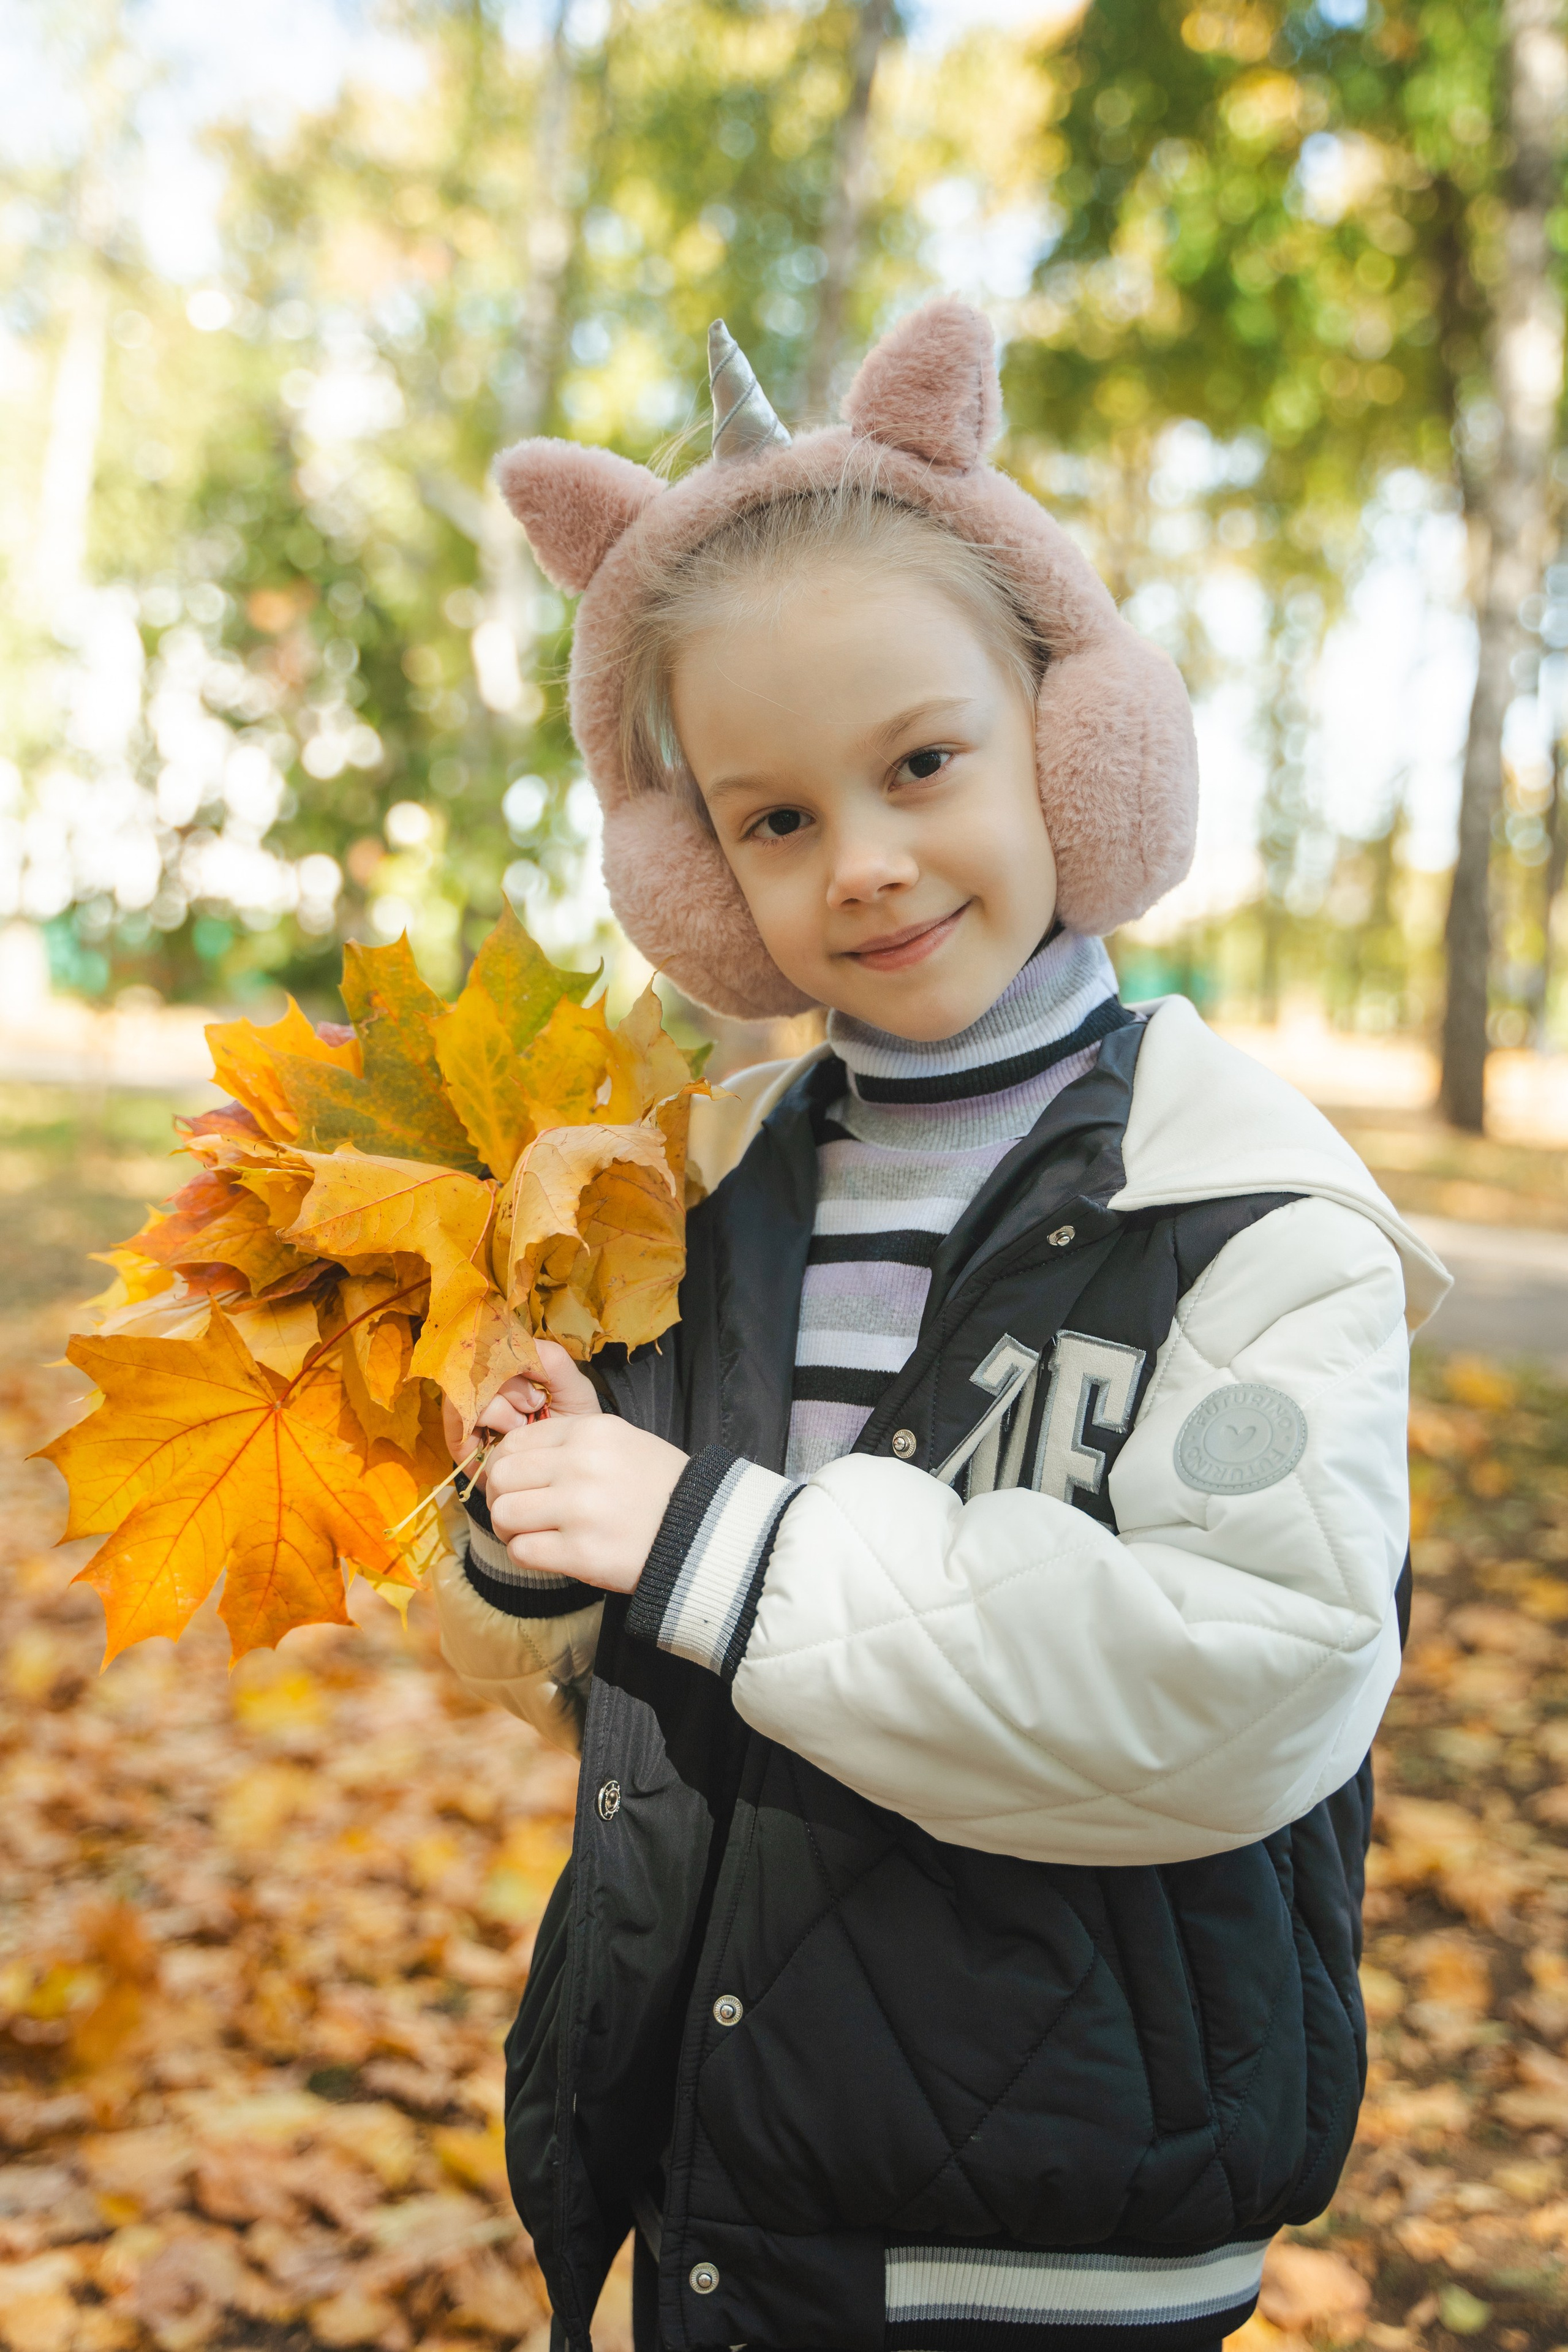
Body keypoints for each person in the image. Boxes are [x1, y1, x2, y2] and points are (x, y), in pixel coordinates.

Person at [434, 300, 1449, 2352]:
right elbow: (587, 1650)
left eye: (921, 763)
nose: (866, 866)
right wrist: (522, 1510)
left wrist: (708, 1537)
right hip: (714, 2202)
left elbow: (1242, 1679)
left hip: (1052, 2245)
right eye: (773, 820)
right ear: (693, 871)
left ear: (1080, 743)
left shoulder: (1243, 1206)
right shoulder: (691, 1187)